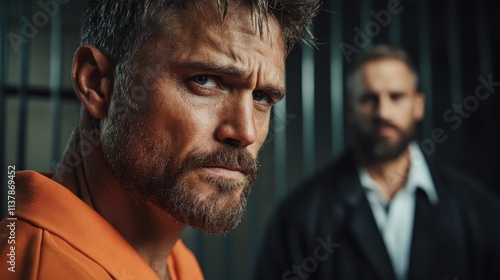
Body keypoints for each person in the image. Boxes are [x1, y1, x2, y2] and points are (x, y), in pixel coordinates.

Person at [0, 0, 319, 279]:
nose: (245, 132)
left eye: (262, 96)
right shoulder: (43, 268)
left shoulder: (177, 262)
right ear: (96, 83)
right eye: (205, 81)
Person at [255, 45, 500, 280]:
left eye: (396, 97)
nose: (383, 112)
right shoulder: (300, 217)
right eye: (369, 99)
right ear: (350, 110)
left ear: (418, 106)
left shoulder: (478, 209)